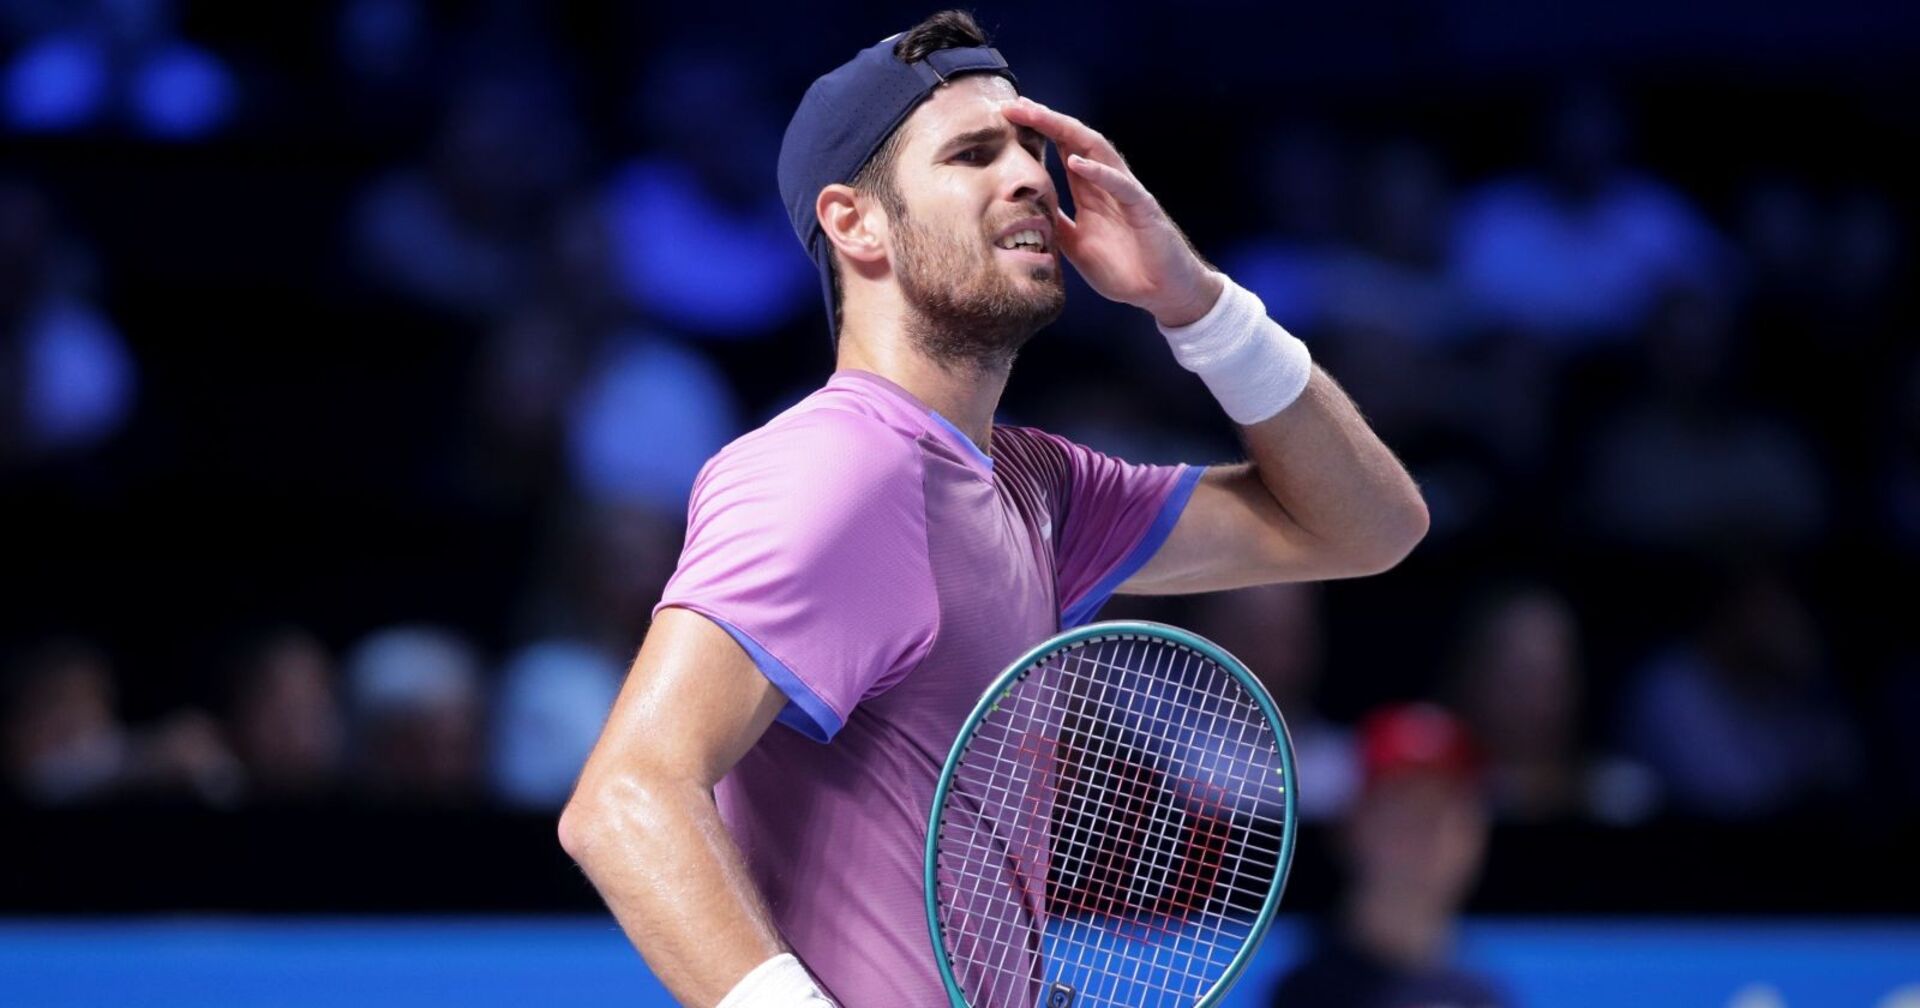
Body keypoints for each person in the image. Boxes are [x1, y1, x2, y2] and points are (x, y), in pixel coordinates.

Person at [558, 12, 1429, 1006]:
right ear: (856, 222)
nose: (1029, 176)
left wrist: (1197, 302)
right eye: (973, 154)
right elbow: (626, 796)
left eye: (1031, 148)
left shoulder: (1036, 486)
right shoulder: (831, 469)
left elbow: (1366, 527)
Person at [1268, 704, 1511, 1008]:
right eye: (1402, 813)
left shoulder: (1486, 997)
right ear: (1351, 827)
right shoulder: (1301, 993)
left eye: (1442, 815)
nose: (1424, 839)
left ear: (1475, 837)